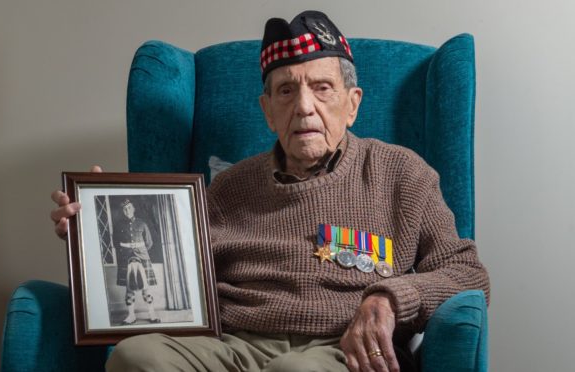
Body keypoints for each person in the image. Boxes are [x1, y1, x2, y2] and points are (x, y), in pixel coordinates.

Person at [51, 10, 489, 372]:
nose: (303, 106)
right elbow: (167, 268)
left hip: (340, 351)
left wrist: (390, 297)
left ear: (352, 103)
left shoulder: (401, 174)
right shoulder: (227, 187)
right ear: (267, 111)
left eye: (322, 88)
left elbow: (469, 274)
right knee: (136, 357)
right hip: (233, 347)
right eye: (286, 90)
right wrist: (93, 229)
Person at [113, 198, 160, 325]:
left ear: (133, 209)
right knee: (129, 289)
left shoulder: (142, 224)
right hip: (126, 258)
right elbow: (116, 244)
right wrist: (127, 250)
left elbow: (149, 243)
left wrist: (139, 250)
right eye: (124, 209)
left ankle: (152, 314)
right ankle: (131, 315)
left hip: (142, 257)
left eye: (129, 208)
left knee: (146, 288)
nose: (127, 210)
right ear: (122, 211)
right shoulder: (118, 226)